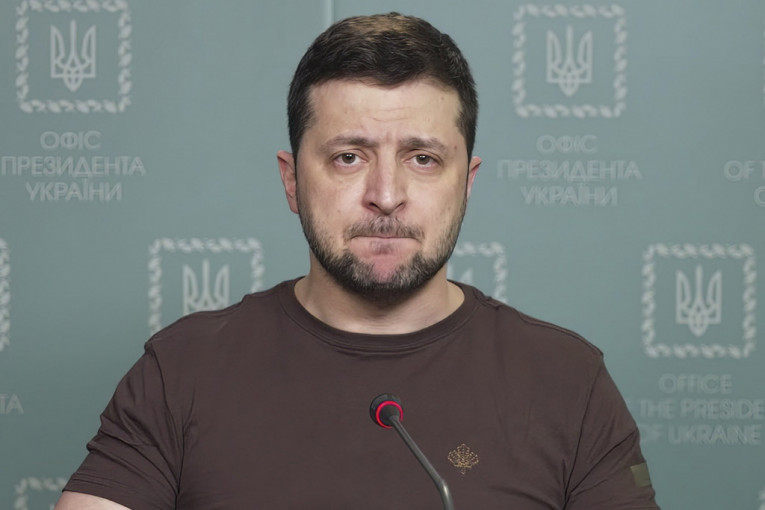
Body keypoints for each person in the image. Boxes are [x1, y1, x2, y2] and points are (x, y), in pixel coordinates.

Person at [55, 12, 659, 510]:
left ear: (467, 183)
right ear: (292, 181)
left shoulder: (567, 381)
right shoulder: (182, 369)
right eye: (348, 157)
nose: (386, 195)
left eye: (423, 158)